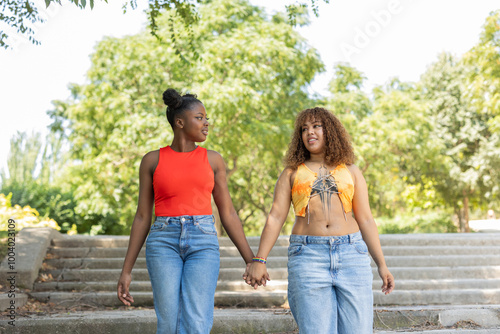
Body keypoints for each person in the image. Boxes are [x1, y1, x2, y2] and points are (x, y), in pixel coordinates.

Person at [244, 107, 395, 334]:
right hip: (307, 256)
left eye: (316, 126)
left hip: (351, 254)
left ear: (330, 131)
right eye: (304, 129)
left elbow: (365, 219)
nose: (309, 132)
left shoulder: (351, 171)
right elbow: (276, 217)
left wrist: (382, 265)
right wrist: (259, 259)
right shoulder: (291, 172)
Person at [117, 88, 255, 334]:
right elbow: (142, 217)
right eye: (200, 117)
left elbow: (229, 213)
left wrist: (251, 260)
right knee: (169, 322)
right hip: (162, 241)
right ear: (179, 122)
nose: (206, 123)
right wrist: (126, 270)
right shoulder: (152, 160)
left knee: (197, 322)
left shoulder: (213, 160)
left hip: (203, 241)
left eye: (206, 118)